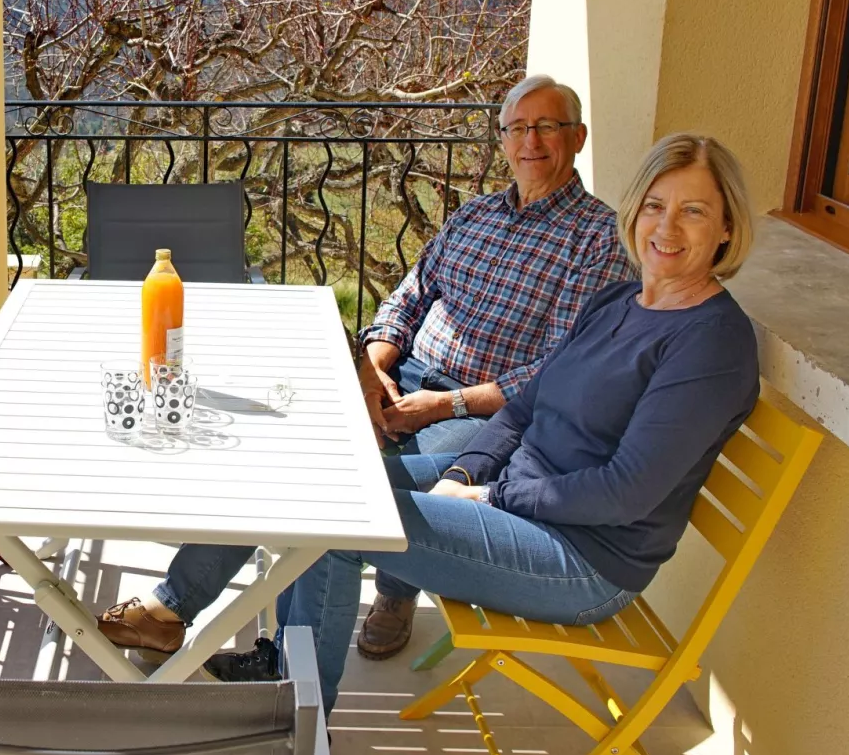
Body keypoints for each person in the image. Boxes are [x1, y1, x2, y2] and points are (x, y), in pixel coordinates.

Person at [202, 133, 761, 716]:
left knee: (344, 526)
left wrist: (491, 496)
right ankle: (283, 667)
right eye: (655, 205)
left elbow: (625, 492)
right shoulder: (618, 301)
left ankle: (298, 717)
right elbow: (524, 407)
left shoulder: (711, 344)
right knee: (323, 486)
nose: (667, 227)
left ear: (726, 228)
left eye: (693, 211)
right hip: (523, 497)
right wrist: (465, 472)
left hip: (583, 557)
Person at [97, 74, 633, 658]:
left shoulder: (597, 238)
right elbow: (409, 297)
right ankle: (174, 607)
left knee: (346, 491)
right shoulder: (475, 215)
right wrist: (373, 371)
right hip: (402, 378)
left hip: (483, 412)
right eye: (518, 128)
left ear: (578, 137)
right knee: (283, 454)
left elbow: (556, 371)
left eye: (547, 127)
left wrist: (444, 404)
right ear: (501, 139)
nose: (530, 141)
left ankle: (389, 594)